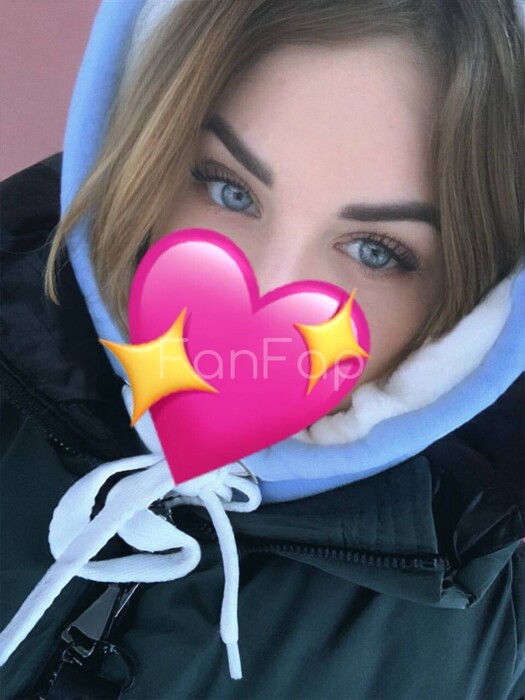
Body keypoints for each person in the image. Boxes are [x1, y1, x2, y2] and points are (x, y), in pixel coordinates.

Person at [1, 0, 524, 697]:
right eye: (228, 190)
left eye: (376, 251)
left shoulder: (499, 619)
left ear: (481, 306)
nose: (266, 295)